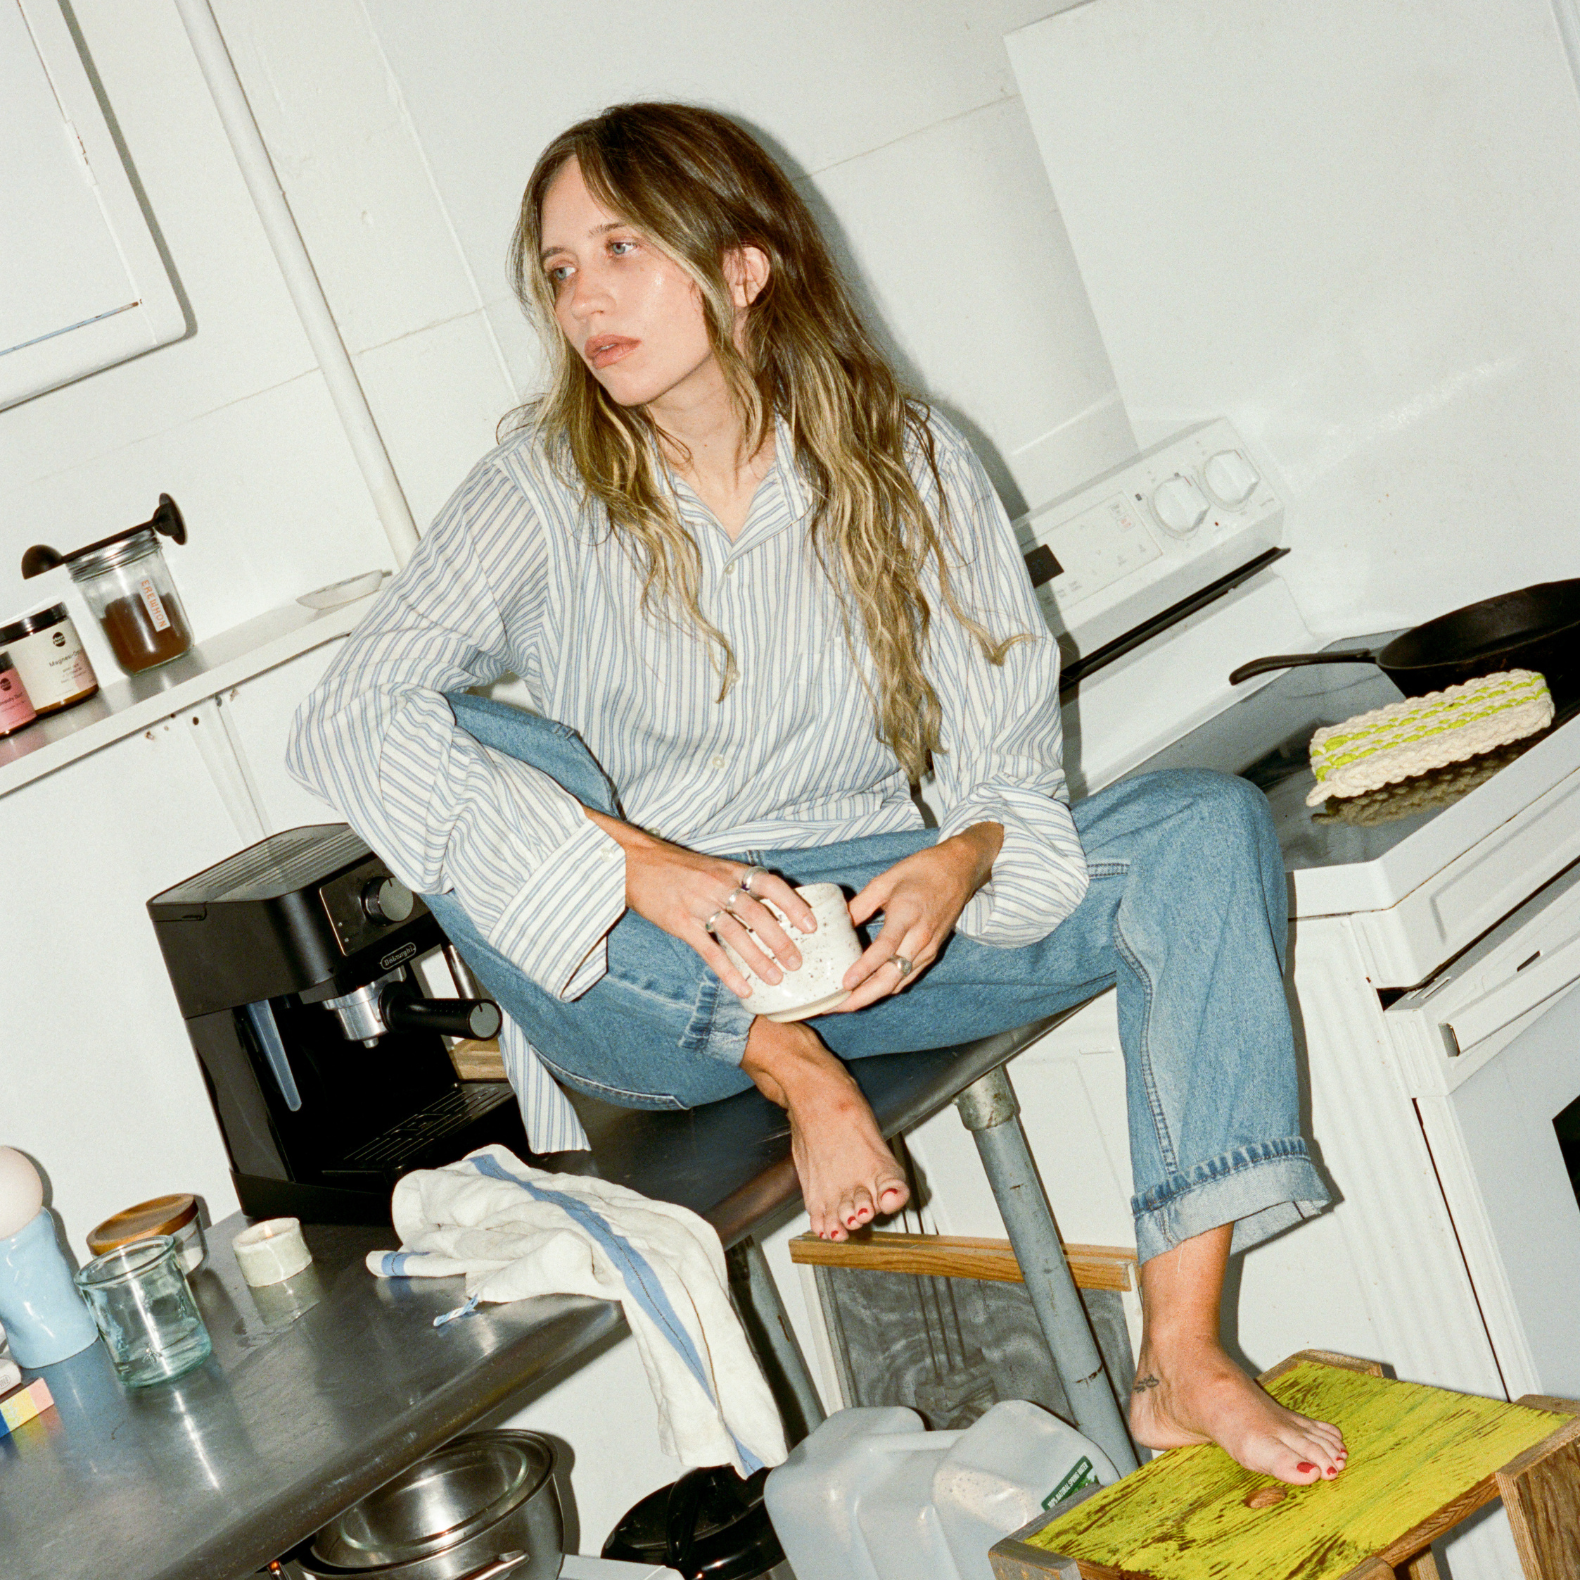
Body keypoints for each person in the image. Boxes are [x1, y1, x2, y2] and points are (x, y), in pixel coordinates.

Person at [288, 102, 1347, 1485]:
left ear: (741, 264)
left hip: (853, 923)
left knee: (1202, 827)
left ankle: (1185, 1357)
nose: (585, 298)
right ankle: (796, 1070)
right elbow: (348, 714)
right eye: (558, 270)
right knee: (480, 745)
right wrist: (645, 870)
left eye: (622, 247)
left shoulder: (908, 460)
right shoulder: (538, 488)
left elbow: (1005, 765)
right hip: (643, 985)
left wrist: (958, 860)